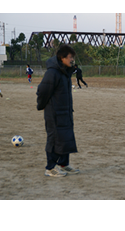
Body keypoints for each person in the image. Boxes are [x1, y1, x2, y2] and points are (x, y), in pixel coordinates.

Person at [36, 45, 81, 177]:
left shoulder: (65, 72)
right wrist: (41, 105)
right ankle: (50, 168)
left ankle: (63, 164)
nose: (72, 60)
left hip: (65, 112)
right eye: (70, 57)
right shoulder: (52, 73)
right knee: (54, 139)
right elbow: (42, 91)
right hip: (54, 113)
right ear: (62, 58)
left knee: (65, 138)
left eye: (73, 57)